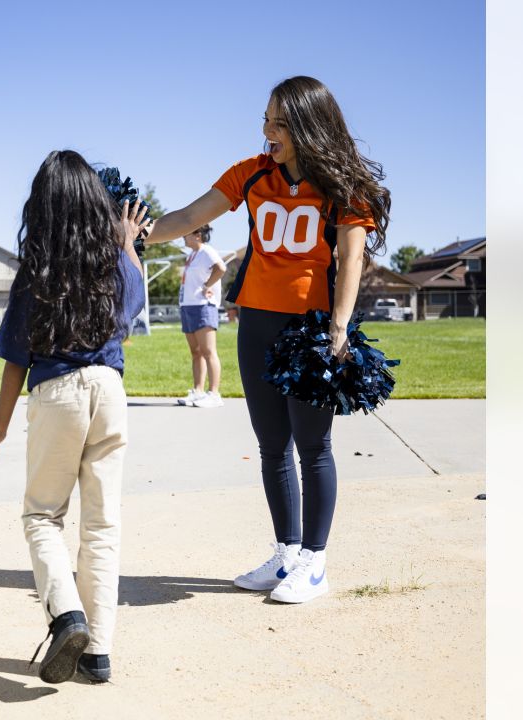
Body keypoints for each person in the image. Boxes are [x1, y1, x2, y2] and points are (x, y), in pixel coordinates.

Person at [143, 76, 391, 603]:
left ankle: (315, 562)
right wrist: (135, 232)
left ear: (307, 125)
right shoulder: (251, 174)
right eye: (266, 119)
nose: (267, 131)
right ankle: (286, 555)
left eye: (279, 122)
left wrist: (339, 326)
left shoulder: (345, 189)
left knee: (313, 445)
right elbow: (189, 216)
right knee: (271, 445)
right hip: (254, 321)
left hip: (309, 329)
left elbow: (350, 260)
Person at [0, 150, 149, 685]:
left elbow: (15, 359)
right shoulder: (114, 259)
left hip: (57, 394)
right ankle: (97, 653)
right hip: (110, 391)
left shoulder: (38, 269)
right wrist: (125, 243)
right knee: (102, 525)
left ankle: (67, 616)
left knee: (42, 516)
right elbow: (135, 302)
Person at [176, 224, 227, 408]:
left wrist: (207, 286)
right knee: (195, 352)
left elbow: (221, 268)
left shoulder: (207, 251)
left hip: (203, 306)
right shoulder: (192, 255)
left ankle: (214, 394)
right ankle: (198, 391)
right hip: (188, 306)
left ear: (198, 235)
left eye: (187, 232)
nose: (183, 236)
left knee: (208, 351)